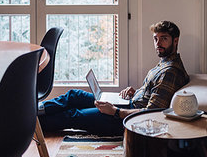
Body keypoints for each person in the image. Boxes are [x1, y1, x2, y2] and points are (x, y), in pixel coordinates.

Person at [38, 20, 190, 136]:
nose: (158, 43)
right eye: (155, 39)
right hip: (128, 105)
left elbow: (151, 114)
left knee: (73, 115)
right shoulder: (166, 62)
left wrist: (115, 111)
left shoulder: (169, 72)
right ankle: (32, 110)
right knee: (74, 95)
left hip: (125, 120)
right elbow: (154, 93)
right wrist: (136, 92)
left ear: (175, 40)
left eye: (163, 39)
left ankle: (29, 125)